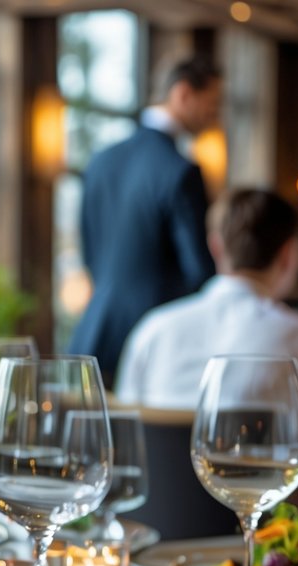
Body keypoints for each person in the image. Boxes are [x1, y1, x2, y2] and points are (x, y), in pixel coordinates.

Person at [115, 188, 298, 542]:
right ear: (290, 254)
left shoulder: (151, 330)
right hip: (267, 539)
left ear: (215, 246)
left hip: (159, 534)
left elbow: (129, 452)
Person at [69, 55, 221, 383]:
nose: (214, 116)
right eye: (212, 104)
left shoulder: (100, 161)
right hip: (155, 348)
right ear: (183, 95)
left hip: (95, 334)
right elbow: (199, 272)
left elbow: (90, 252)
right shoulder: (181, 172)